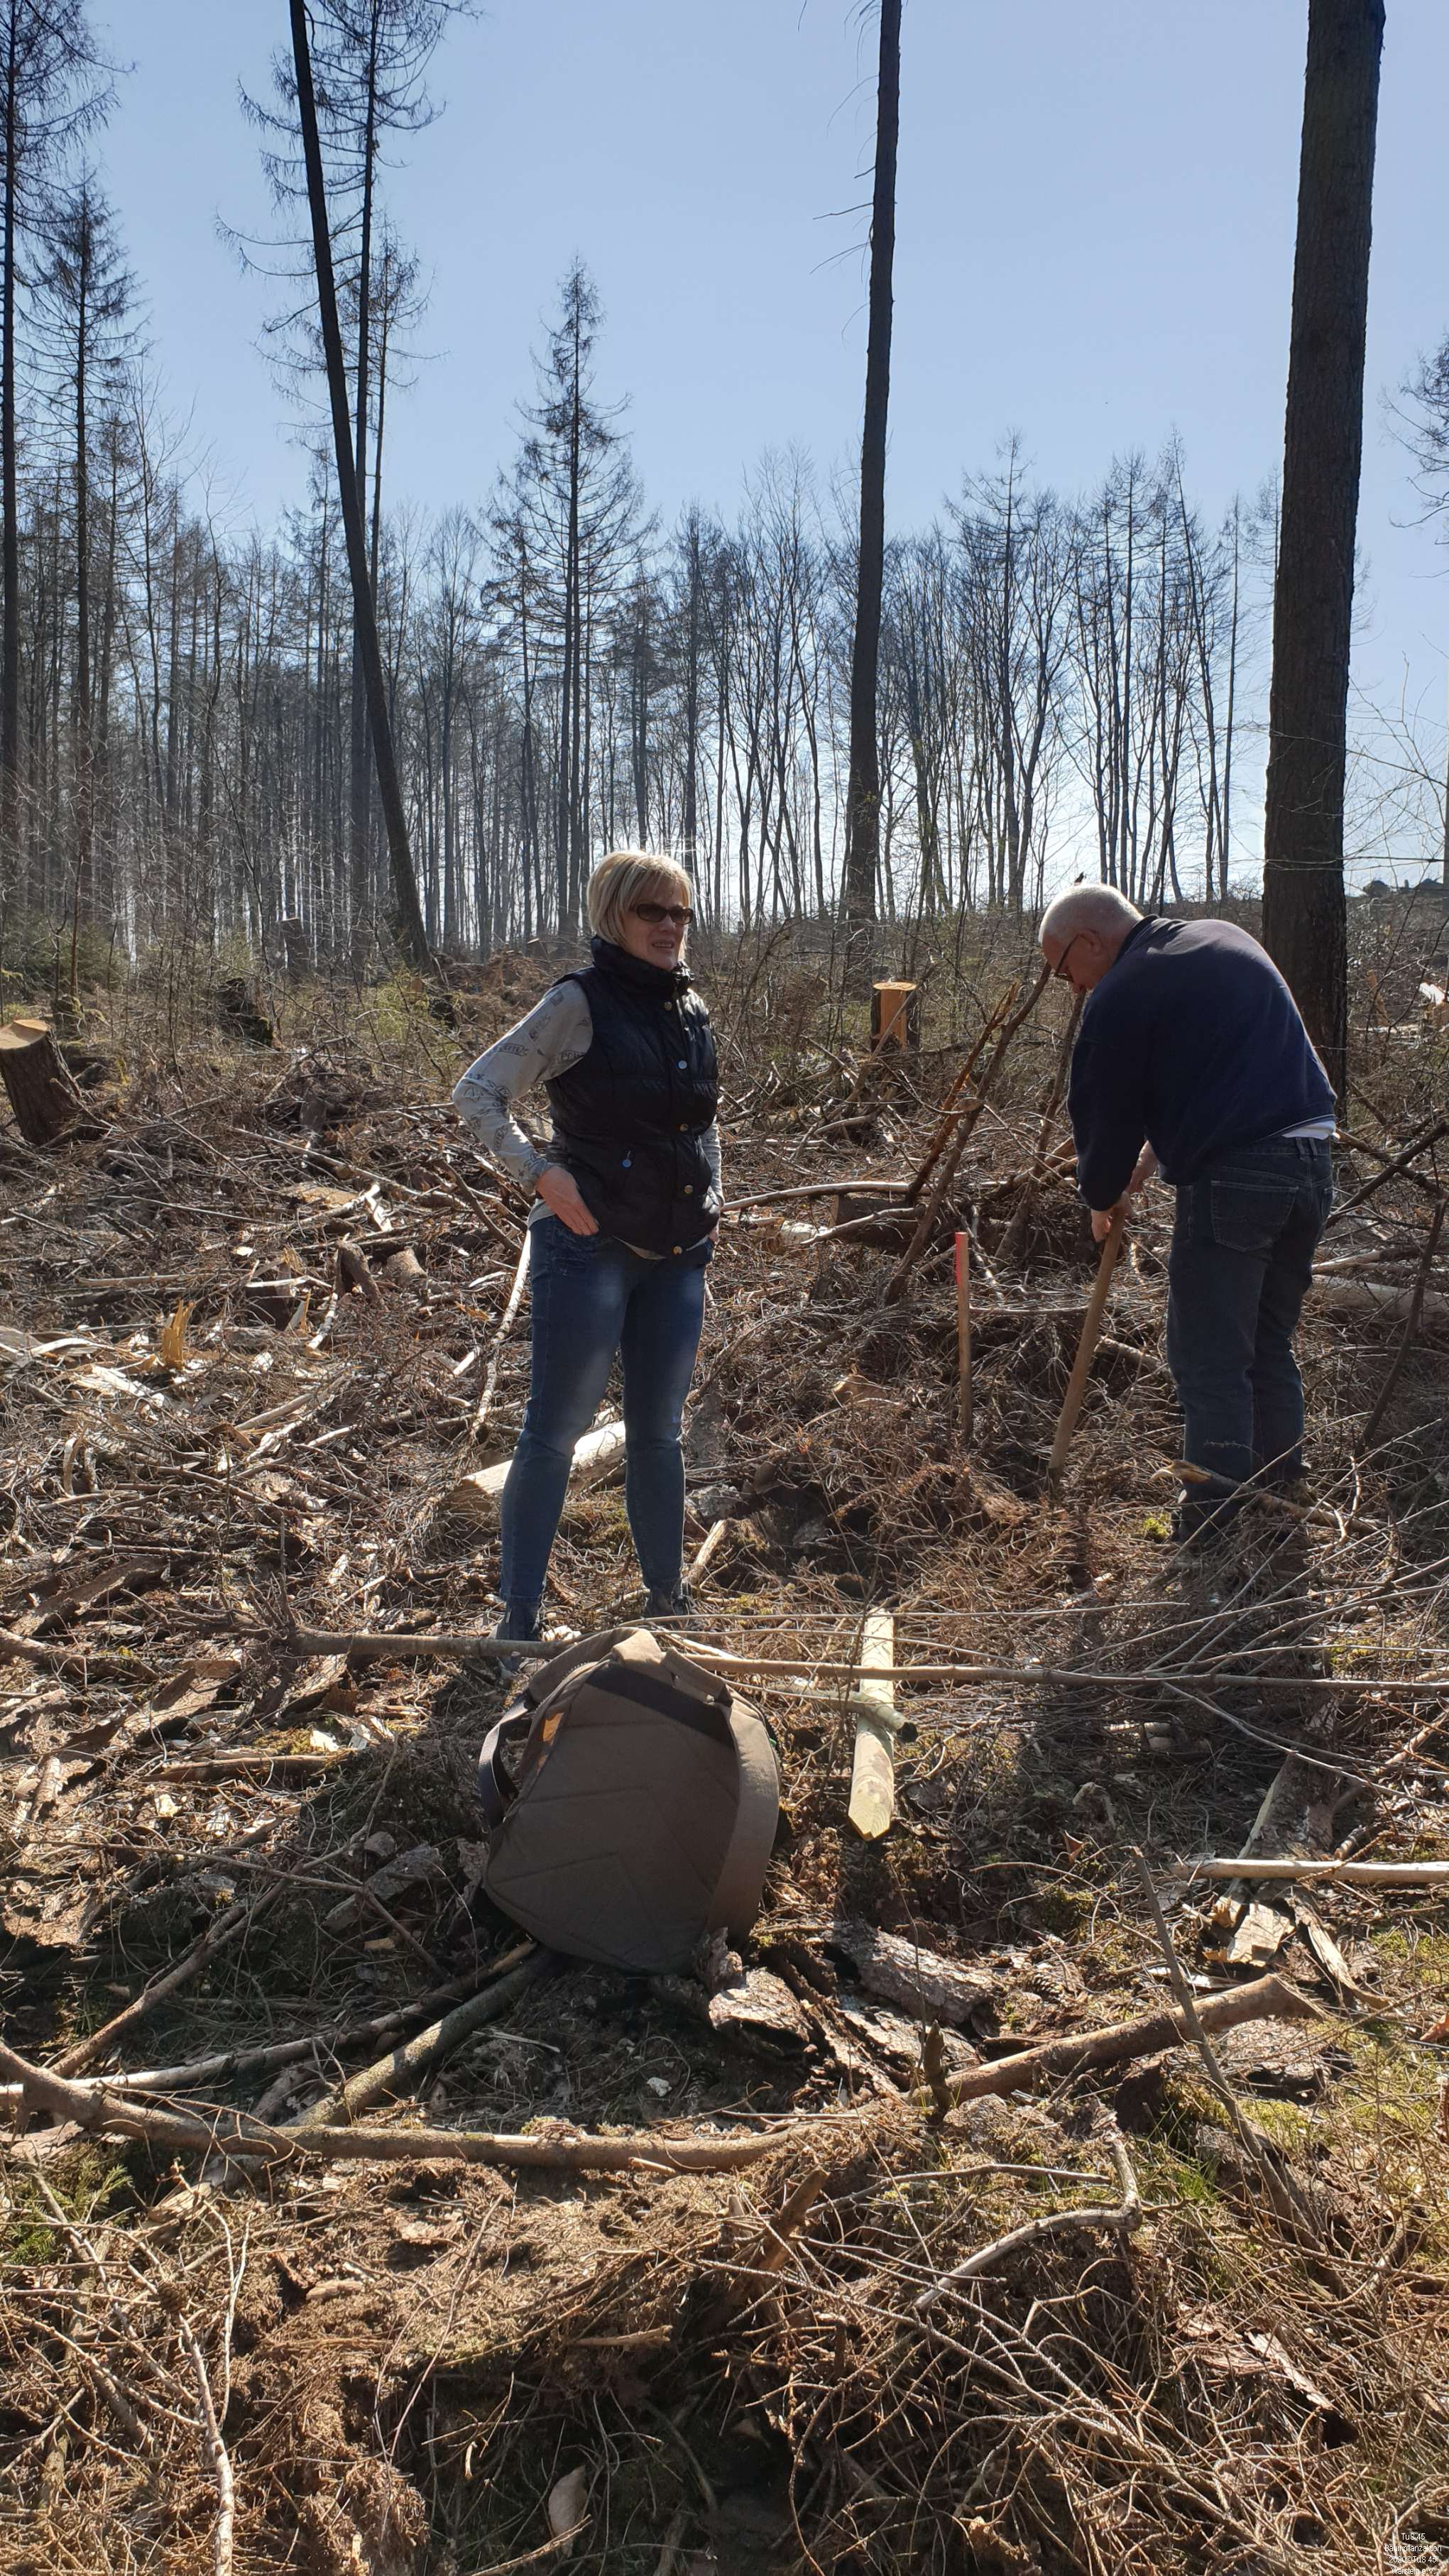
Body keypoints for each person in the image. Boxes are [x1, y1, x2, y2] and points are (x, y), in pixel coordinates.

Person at [453, 851, 721, 1644]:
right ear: (615, 916)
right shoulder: (578, 1001)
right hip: (589, 1244)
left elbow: (701, 1116)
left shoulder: (689, 1005)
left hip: (678, 1253)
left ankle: (666, 1601)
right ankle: (519, 1619)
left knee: (658, 1432)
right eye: (651, 912)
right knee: (553, 1433)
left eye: (679, 912)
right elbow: (478, 1089)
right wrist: (540, 1174)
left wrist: (716, 1193)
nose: (669, 926)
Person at [1037, 885, 1336, 1541]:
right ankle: (1278, 1507)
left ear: (1089, 942)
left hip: (1237, 1177)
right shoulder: (1219, 940)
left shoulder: (1124, 990)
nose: (1071, 987)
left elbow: (1102, 1108)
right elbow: (1230, 1075)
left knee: (1209, 1358)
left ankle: (1211, 1531)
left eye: (1063, 969)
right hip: (1311, 1164)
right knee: (1264, 1343)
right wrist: (1149, 1160)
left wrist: (1101, 1191)